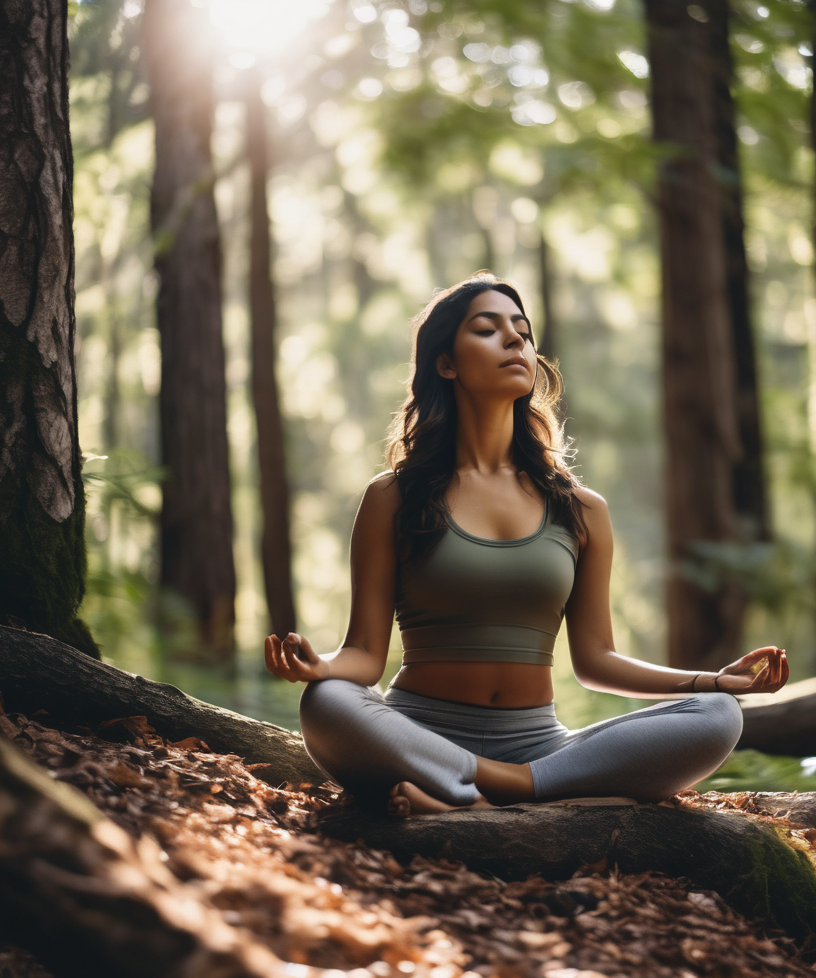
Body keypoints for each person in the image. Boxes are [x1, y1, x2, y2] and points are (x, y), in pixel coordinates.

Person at [265, 274, 788, 816]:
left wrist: (713, 679)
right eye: (488, 330)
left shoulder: (581, 509)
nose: (516, 341)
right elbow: (365, 656)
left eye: (523, 331)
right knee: (327, 702)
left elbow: (596, 660)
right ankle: (509, 787)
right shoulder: (394, 496)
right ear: (446, 364)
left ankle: (482, 788)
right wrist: (319, 666)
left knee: (719, 714)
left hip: (539, 745)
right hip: (418, 732)